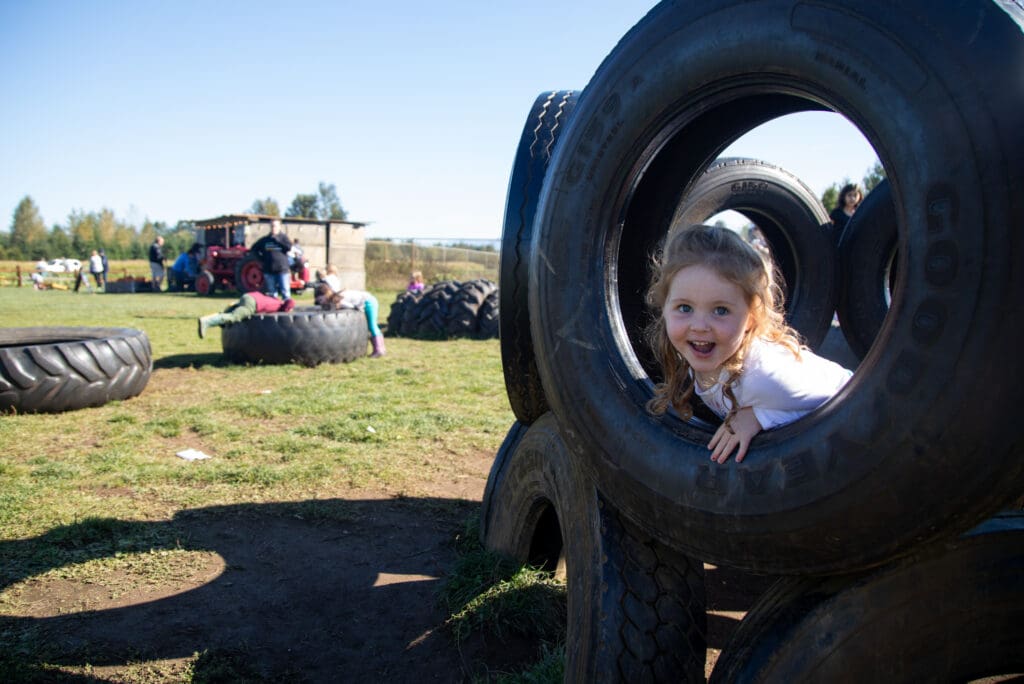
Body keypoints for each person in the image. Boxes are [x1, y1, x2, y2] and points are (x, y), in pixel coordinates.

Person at [645, 224, 852, 464]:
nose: (699, 325)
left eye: (720, 310)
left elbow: (845, 399)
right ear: (665, 309)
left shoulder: (762, 377)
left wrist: (759, 416)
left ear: (750, 318)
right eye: (685, 308)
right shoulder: (697, 352)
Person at [316, 264, 386, 357]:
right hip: (367, 301)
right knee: (371, 326)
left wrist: (342, 307)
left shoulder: (339, 299)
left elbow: (352, 306)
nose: (320, 301)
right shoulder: (333, 299)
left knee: (372, 325)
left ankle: (379, 350)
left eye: (321, 299)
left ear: (326, 295)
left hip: (369, 301)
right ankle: (380, 349)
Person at [197, 291, 295, 339]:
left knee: (230, 313)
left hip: (249, 296)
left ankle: (215, 317)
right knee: (234, 317)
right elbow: (286, 309)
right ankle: (207, 321)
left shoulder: (275, 300)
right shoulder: (279, 307)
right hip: (252, 304)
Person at [250, 221, 292, 299]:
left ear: (279, 227)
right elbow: (253, 249)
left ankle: (287, 307)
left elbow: (288, 247)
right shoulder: (265, 240)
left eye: (275, 226)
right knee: (272, 294)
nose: (273, 228)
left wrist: (277, 240)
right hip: (269, 269)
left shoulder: (283, 238)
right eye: (272, 226)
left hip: (282, 269)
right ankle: (274, 308)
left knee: (285, 292)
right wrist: (261, 259)